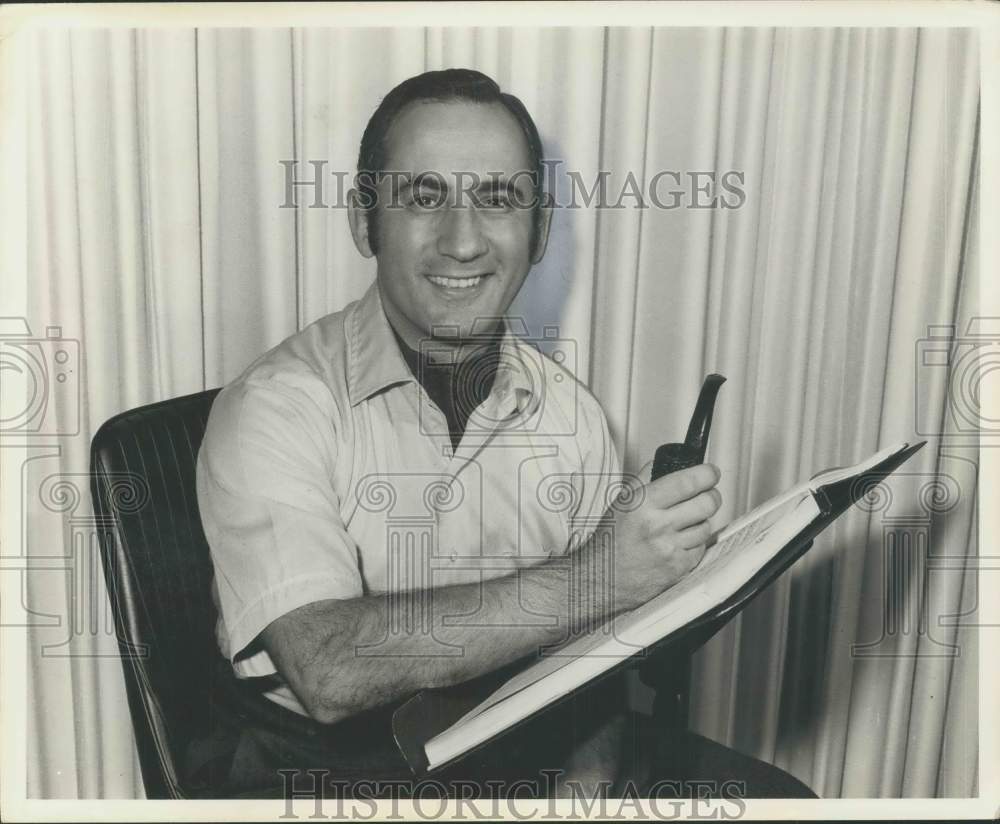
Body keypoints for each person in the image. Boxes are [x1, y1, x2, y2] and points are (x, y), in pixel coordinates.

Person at [195, 68, 814, 801]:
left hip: (517, 747)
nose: (463, 242)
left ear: (540, 230)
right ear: (364, 221)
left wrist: (582, 801)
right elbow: (329, 668)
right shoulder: (274, 405)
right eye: (424, 197)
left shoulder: (570, 413)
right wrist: (599, 577)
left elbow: (596, 666)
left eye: (497, 200)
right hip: (326, 774)